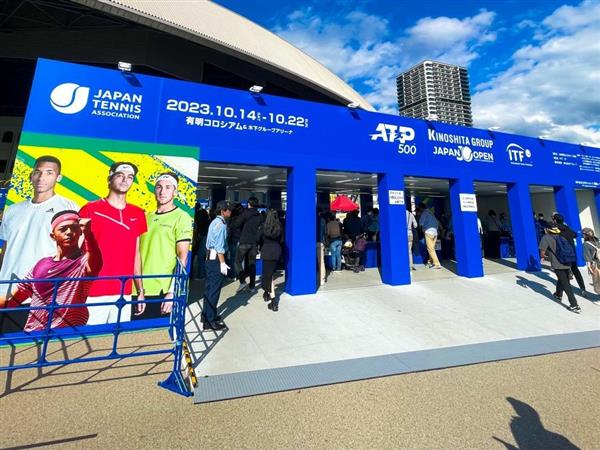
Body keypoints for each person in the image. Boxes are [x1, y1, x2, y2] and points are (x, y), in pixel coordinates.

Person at [0, 155, 78, 332]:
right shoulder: (12, 210)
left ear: (58, 177)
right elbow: (5, 250)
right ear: (31, 175)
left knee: (28, 347)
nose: (41, 177)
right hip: (4, 291)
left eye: (49, 173)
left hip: (39, 297)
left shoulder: (68, 207)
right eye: (38, 172)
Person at [0, 210, 102, 331]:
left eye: (74, 228)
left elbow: (95, 264)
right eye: (63, 229)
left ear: (80, 232)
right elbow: (12, 301)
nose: (69, 232)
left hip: (69, 334)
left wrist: (88, 234)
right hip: (35, 334)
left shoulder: (83, 262)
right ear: (53, 236)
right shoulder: (41, 265)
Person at [79, 162, 147, 325]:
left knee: (117, 338)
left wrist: (140, 290)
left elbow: (135, 254)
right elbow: (74, 251)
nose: (125, 180)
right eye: (120, 175)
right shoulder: (89, 209)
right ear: (110, 178)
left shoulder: (138, 214)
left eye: (130, 177)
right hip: (93, 292)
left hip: (123, 292)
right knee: (88, 339)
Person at [138, 173, 192, 319]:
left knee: (154, 332)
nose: (162, 191)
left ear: (175, 192)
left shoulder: (182, 217)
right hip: (137, 288)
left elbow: (183, 257)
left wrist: (172, 291)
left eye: (168, 187)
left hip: (160, 290)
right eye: (159, 187)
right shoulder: (146, 217)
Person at [203, 200, 232, 331]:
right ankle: (210, 321)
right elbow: (219, 247)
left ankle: (207, 316)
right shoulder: (222, 225)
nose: (230, 211)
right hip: (216, 259)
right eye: (228, 209)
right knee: (214, 290)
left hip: (209, 257)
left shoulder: (214, 222)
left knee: (209, 289)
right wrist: (223, 263)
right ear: (222, 211)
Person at [539, 227, 580, 312]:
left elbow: (542, 251)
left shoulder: (546, 237)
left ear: (547, 230)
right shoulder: (561, 236)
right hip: (567, 262)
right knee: (562, 279)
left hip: (558, 264)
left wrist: (543, 257)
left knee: (566, 284)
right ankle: (558, 294)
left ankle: (574, 305)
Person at [552, 213, 587, 298]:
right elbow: (575, 235)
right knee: (576, 271)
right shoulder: (567, 228)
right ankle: (583, 288)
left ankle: (559, 294)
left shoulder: (556, 229)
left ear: (555, 220)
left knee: (563, 273)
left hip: (563, 254)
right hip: (572, 253)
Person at [235, 197, 263, 293]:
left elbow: (236, 224)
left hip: (244, 241)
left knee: (237, 262)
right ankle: (252, 286)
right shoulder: (260, 216)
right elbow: (261, 229)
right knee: (252, 264)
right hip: (254, 243)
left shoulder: (245, 213)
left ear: (249, 204)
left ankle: (242, 281)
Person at [260, 209, 283, 312]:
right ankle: (267, 293)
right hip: (276, 251)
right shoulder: (279, 227)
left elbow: (258, 239)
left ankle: (273, 302)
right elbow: (282, 240)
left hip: (266, 252)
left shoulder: (264, 226)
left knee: (268, 276)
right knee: (270, 274)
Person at [416, 203, 441, 269]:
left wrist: (420, 228)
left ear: (421, 208)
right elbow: (437, 222)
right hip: (435, 232)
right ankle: (431, 261)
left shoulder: (424, 213)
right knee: (432, 248)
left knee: (430, 249)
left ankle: (437, 264)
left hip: (429, 232)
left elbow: (421, 223)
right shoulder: (431, 213)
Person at [192, 207, 210, 279]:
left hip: (204, 239)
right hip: (206, 239)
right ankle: (202, 274)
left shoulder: (202, 222)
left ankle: (202, 275)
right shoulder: (208, 221)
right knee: (203, 258)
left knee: (200, 257)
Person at [582, 227, 600, 295]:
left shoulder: (586, 244)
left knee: (597, 281)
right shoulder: (597, 241)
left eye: (583, 234)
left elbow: (588, 257)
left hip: (595, 264)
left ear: (586, 235)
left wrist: (589, 266)